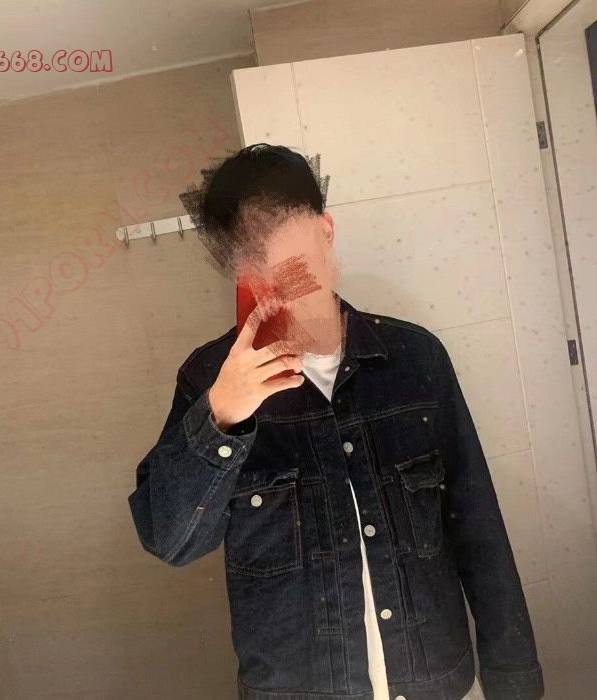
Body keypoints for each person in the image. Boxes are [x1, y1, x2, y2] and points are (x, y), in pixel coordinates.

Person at [128, 144, 544, 700]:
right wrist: (220, 418)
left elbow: (478, 529)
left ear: (325, 232)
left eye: (289, 260)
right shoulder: (209, 380)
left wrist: (514, 680)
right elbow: (169, 541)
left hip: (439, 684)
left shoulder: (415, 359)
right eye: (255, 267)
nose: (276, 285)